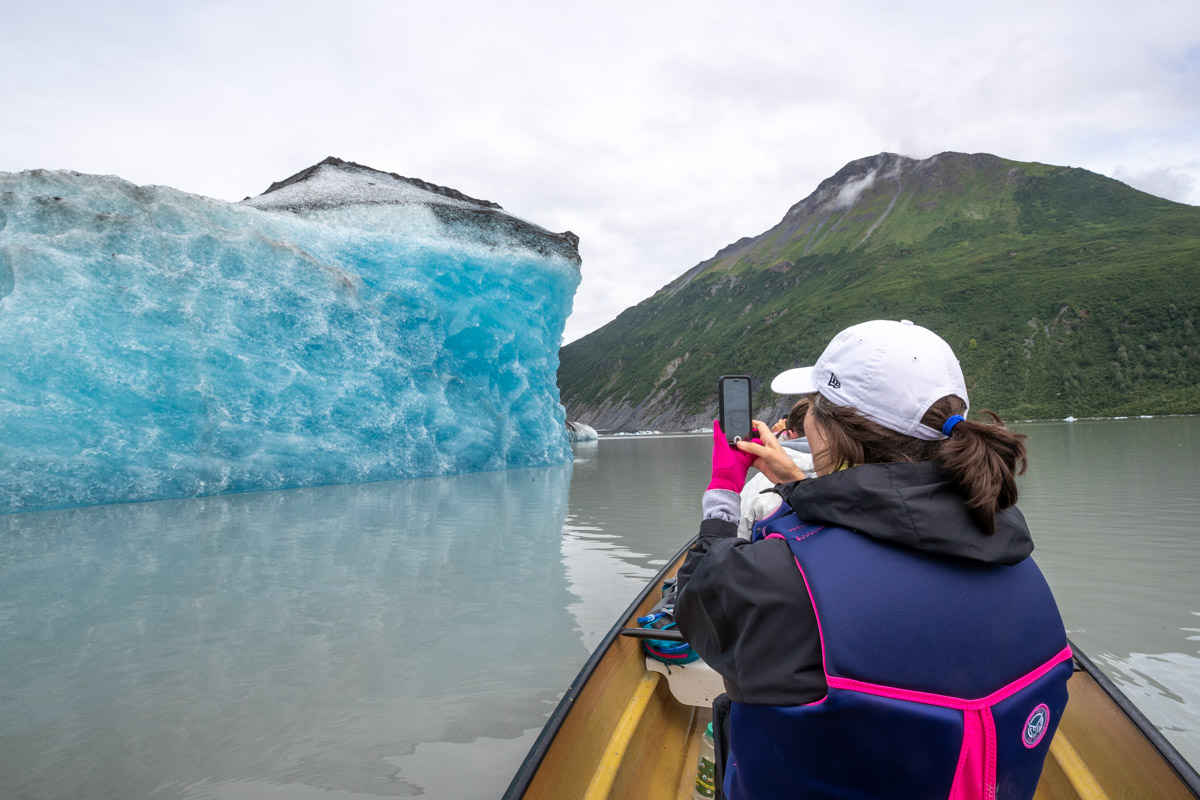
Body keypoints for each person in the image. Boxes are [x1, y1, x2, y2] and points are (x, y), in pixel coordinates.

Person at [675, 319, 1071, 800]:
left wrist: (722, 489)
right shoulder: (1020, 563)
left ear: (830, 431)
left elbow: (696, 599)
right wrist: (797, 482)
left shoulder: (781, 581)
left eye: (814, 409)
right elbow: (890, 517)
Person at [736, 399, 815, 539]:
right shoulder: (842, 473)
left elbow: (739, 532)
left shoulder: (761, 482)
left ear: (792, 433)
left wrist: (779, 438)